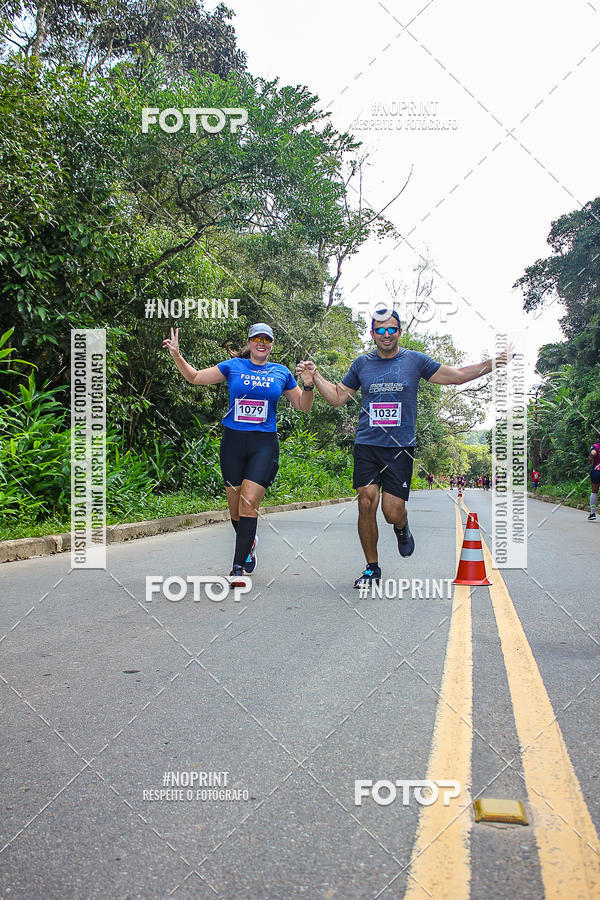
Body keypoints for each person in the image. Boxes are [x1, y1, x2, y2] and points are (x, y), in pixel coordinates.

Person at [297, 308, 514, 587]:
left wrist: (495, 363)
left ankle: (402, 526)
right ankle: (371, 568)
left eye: (391, 329)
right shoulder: (362, 364)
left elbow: (457, 375)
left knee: (391, 511)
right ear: (372, 333)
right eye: (380, 330)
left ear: (400, 331)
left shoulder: (415, 361)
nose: (386, 335)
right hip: (367, 443)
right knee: (366, 500)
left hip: (400, 448)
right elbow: (338, 398)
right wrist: (315, 378)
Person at [163, 323, 315, 584]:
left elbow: (303, 406)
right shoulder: (233, 366)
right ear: (249, 342)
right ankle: (250, 542)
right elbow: (195, 377)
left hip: (264, 445)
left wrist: (309, 385)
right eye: (257, 338)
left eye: (266, 339)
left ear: (272, 344)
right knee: (235, 512)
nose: (261, 343)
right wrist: (177, 355)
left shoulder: (281, 373)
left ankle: (237, 569)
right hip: (233, 443)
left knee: (248, 504)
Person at [589, 440, 600, 520]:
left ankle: (592, 513)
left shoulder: (596, 446)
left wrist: (590, 459)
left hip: (597, 471)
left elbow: (593, 453)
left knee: (594, 491)